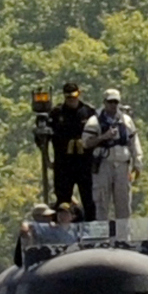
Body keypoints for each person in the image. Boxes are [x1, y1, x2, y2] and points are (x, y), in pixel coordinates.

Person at [82, 89, 142, 222]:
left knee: (123, 202)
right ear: (104, 102)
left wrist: (137, 162)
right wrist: (104, 137)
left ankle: (123, 236)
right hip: (104, 165)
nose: (113, 105)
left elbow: (134, 142)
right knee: (101, 201)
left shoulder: (126, 120)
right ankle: (101, 235)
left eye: (116, 102)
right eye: (110, 102)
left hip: (122, 165)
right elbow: (86, 143)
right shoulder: (94, 121)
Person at [49, 81, 97, 220]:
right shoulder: (56, 113)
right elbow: (44, 138)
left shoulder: (89, 112)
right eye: (68, 97)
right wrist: (47, 159)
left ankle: (91, 230)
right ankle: (62, 230)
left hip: (84, 163)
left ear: (79, 94)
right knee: (62, 200)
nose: (71, 99)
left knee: (89, 199)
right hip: (64, 164)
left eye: (74, 96)